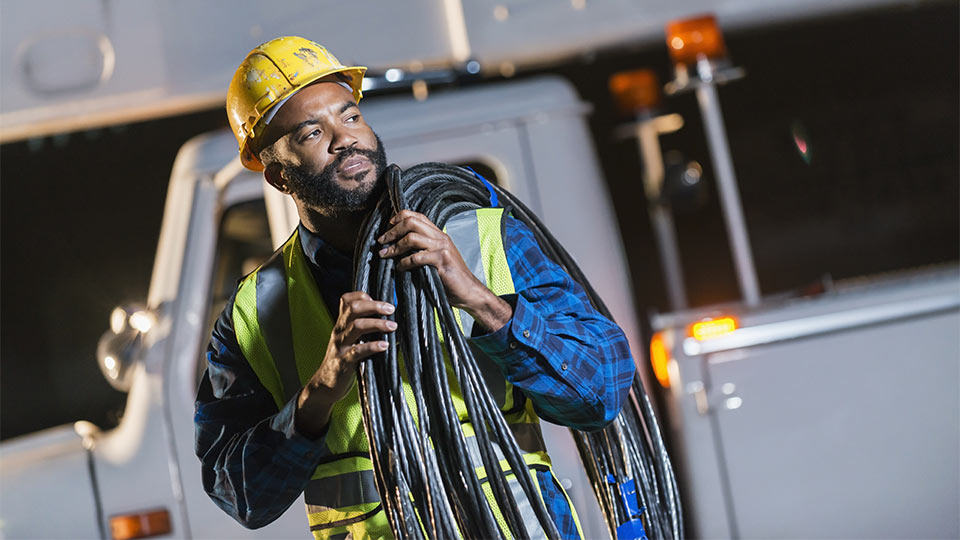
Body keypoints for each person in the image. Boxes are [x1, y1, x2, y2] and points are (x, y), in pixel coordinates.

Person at [195, 36, 635, 540]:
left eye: (351, 116)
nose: (346, 139)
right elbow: (238, 494)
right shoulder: (254, 311)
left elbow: (601, 390)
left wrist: (479, 300)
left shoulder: (479, 239)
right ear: (278, 177)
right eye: (312, 133)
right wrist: (320, 392)